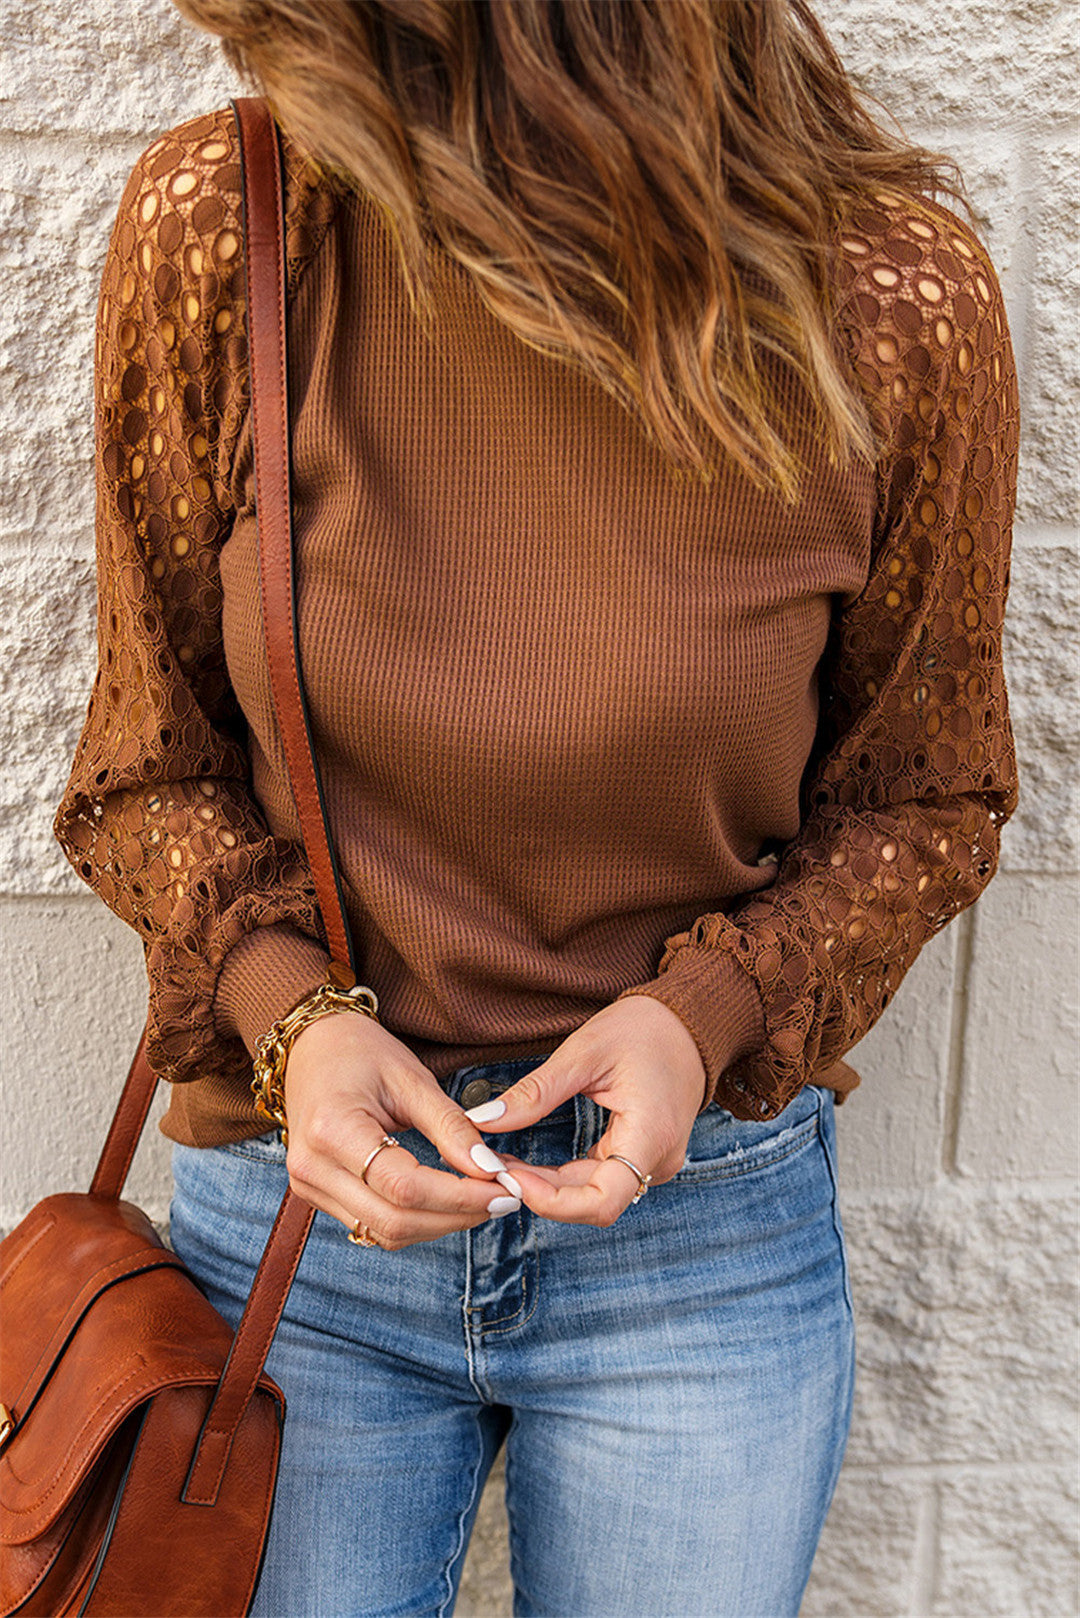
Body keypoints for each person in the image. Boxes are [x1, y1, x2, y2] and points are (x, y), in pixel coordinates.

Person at [53, 1, 1020, 1613]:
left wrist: (702, 1016)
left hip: (698, 1229)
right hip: (309, 1226)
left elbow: (928, 792)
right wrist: (293, 1020)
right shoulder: (231, 229)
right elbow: (143, 758)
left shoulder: (883, 294)